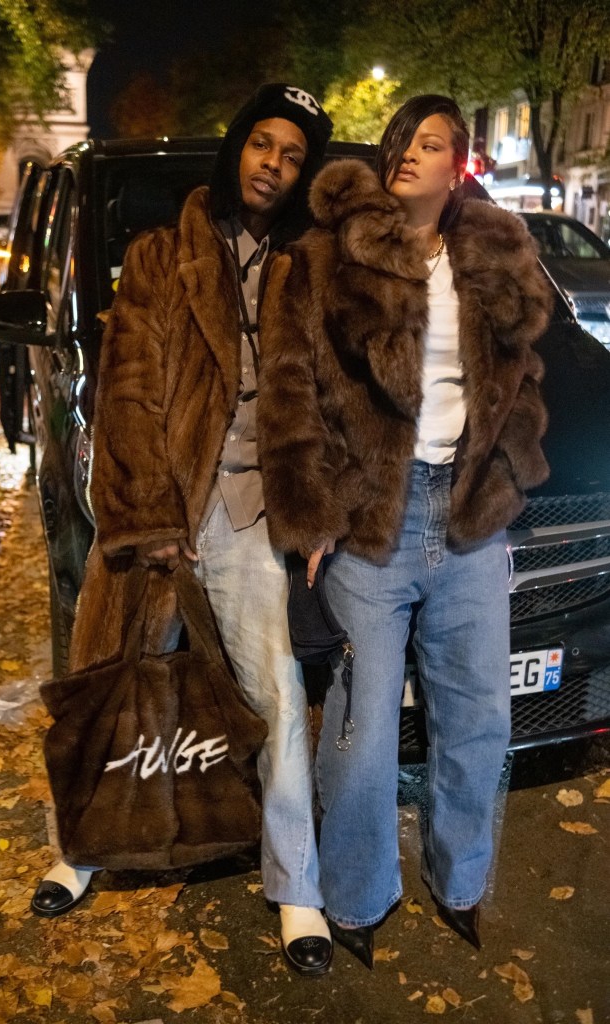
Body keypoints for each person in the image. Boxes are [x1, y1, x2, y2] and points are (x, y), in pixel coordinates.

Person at [30, 83, 335, 978]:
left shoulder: (306, 266)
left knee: (275, 695)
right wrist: (152, 519)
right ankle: (79, 848)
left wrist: (315, 510)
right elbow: (124, 393)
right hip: (163, 511)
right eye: (261, 145)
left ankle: (297, 888)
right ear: (235, 148)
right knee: (108, 682)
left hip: (253, 515)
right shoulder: (161, 256)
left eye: (290, 154)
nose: (272, 165)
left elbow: (328, 401)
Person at [257, 95, 552, 968]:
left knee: (478, 721)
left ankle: (460, 882)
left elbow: (524, 370)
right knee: (359, 735)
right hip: (371, 525)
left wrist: (509, 470)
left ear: (459, 163)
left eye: (431, 144)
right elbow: (289, 394)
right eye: (401, 141)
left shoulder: (498, 254)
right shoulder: (326, 258)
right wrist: (311, 517)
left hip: (467, 524)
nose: (409, 155)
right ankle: (354, 896)